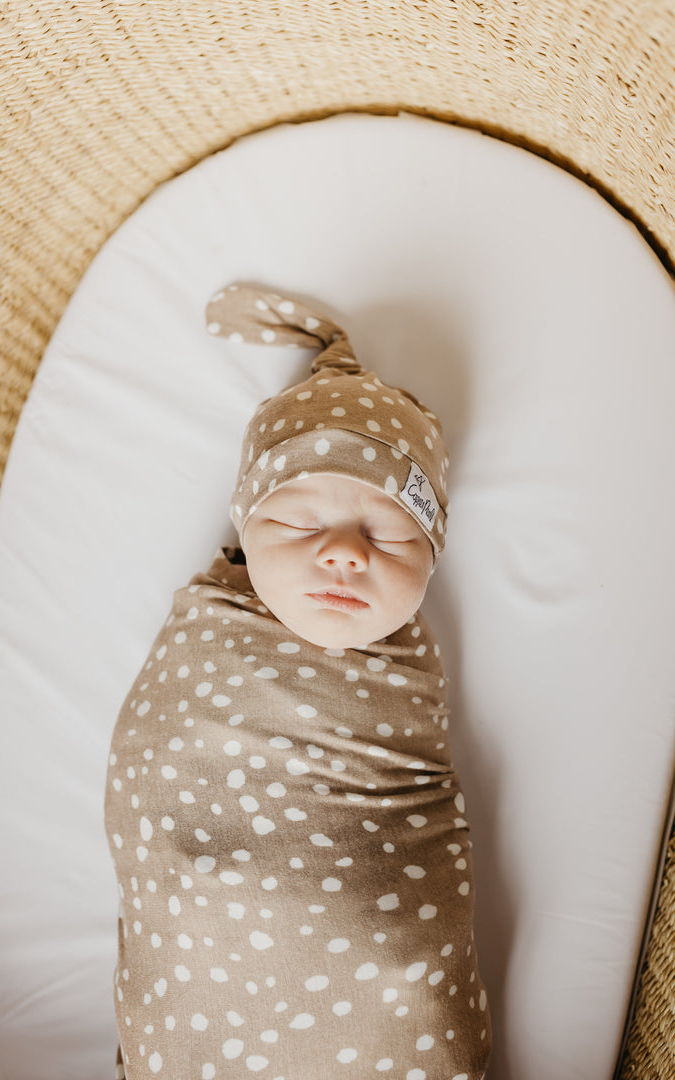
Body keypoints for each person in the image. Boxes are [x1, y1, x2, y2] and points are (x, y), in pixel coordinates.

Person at [104, 283, 492, 1080]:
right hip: (198, 962)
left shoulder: (406, 674)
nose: (346, 552)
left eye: (388, 531)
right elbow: (158, 775)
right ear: (247, 527)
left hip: (388, 980)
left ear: (432, 556)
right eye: (302, 521)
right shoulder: (212, 627)